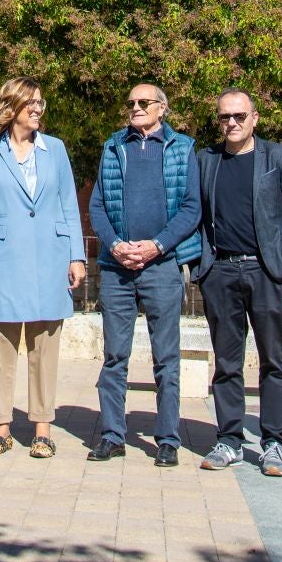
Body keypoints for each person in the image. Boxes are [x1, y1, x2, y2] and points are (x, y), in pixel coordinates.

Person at [0, 78, 87, 459]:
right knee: (1, 345)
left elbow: (69, 204)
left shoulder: (56, 150)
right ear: (11, 106)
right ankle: (0, 427)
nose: (37, 109)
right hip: (1, 259)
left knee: (44, 346)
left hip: (50, 257)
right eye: (30, 103)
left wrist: (77, 255)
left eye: (40, 102)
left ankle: (42, 429)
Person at [194, 90, 282, 478]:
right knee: (227, 363)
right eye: (224, 117)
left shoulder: (277, 158)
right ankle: (228, 439)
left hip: (268, 273)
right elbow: (196, 217)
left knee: (274, 360)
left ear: (255, 118)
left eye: (239, 116)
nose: (231, 123)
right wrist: (201, 269)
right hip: (221, 272)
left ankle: (274, 442)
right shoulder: (207, 160)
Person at [87, 83, 202, 467]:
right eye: (131, 102)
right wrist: (116, 244)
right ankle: (112, 435)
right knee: (114, 355)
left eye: (143, 102)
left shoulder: (183, 148)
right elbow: (98, 204)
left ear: (162, 109)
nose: (135, 107)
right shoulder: (112, 145)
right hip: (117, 268)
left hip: (162, 266)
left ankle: (168, 438)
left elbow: (191, 208)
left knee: (166, 357)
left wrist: (157, 246)